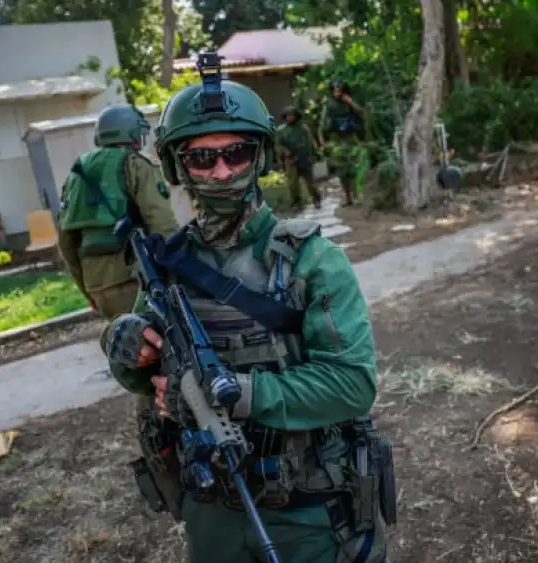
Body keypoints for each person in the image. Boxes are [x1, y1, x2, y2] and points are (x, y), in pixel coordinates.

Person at [100, 65, 393, 563]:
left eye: (235, 153)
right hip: (210, 507)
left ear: (259, 156)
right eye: (202, 158)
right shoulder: (167, 265)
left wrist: (239, 393)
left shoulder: (313, 261)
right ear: (176, 166)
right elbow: (140, 374)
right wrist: (124, 346)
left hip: (307, 512)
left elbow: (352, 384)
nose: (221, 172)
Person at [56, 103, 179, 320]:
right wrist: (182, 273)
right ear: (132, 134)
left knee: (129, 348)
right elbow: (161, 223)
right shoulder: (136, 164)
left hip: (98, 286)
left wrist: (87, 290)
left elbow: (67, 243)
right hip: (138, 279)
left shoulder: (77, 173)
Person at [319, 80, 367, 206]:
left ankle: (356, 196)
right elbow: (323, 123)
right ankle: (347, 197)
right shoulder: (329, 104)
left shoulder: (350, 101)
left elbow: (362, 114)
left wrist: (351, 103)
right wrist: (322, 140)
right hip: (336, 140)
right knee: (342, 171)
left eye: (340, 91)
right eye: (335, 91)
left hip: (351, 138)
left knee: (354, 169)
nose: (337, 94)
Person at [276, 104, 322, 210]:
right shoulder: (281, 130)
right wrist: (284, 152)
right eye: (288, 115)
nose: (290, 118)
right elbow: (278, 145)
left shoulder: (303, 128)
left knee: (310, 182)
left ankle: (316, 199)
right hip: (290, 159)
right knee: (293, 184)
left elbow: (310, 143)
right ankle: (297, 203)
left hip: (304, 157)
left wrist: (314, 155)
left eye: (292, 115)